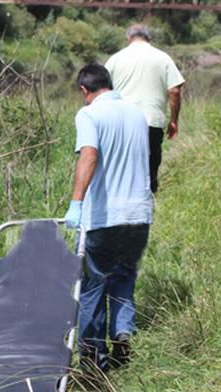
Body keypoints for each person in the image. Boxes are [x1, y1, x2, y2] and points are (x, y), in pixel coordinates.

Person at [64, 64, 153, 372]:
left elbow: (89, 154)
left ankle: (92, 359)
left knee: (92, 285)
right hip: (139, 216)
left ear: (84, 91)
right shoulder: (136, 114)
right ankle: (122, 333)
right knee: (124, 276)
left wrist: (76, 202)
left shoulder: (89, 115)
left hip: (104, 217)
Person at [105, 24, 185, 194]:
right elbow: (174, 90)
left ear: (128, 38)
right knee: (150, 165)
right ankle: (148, 203)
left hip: (121, 121)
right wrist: (173, 121)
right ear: (149, 38)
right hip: (151, 121)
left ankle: (123, 200)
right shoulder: (163, 58)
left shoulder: (115, 59)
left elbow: (102, 91)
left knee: (122, 165)